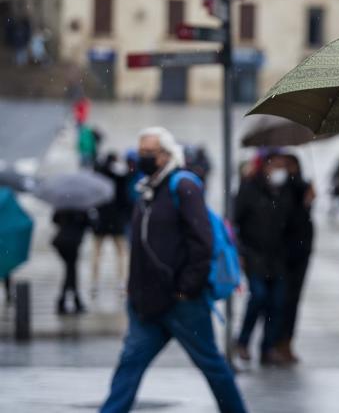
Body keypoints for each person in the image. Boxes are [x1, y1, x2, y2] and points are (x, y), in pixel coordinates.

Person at [101, 127, 246, 413]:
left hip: (183, 303)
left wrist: (187, 288)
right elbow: (140, 245)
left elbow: (202, 243)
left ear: (167, 155)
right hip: (147, 301)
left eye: (149, 153)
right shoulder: (146, 190)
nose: (141, 158)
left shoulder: (183, 186)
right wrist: (133, 286)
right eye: (140, 151)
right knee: (130, 364)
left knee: (212, 365)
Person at [234, 151, 295, 366]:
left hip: (277, 257)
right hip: (254, 255)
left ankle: (267, 348)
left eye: (282, 165)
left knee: (277, 303)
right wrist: (240, 251)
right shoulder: (249, 188)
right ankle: (242, 341)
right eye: (275, 164)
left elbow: (293, 222)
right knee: (258, 296)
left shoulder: (285, 190)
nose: (279, 170)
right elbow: (235, 221)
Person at [277, 154, 315, 363]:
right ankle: (277, 342)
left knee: (291, 300)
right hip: (282, 253)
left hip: (299, 252)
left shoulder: (302, 188)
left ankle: (285, 342)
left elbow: (303, 220)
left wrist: (309, 200)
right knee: (281, 300)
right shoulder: (284, 189)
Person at [92, 152, 130, 296]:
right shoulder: (121, 176)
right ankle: (122, 281)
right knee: (122, 253)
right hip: (117, 220)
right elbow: (126, 199)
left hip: (101, 220)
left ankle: (94, 281)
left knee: (96, 253)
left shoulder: (99, 175)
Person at [52, 209, 91, 314]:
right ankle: (70, 301)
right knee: (71, 272)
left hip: (61, 242)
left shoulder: (62, 206)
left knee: (70, 272)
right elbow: (89, 224)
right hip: (72, 243)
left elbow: (54, 220)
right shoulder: (82, 208)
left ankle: (69, 301)